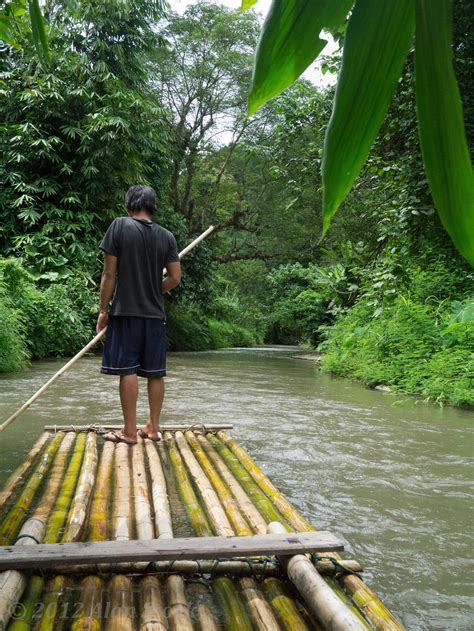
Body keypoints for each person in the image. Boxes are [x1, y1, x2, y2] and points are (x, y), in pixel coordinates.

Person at [96, 184, 181, 445]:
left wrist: (103, 310)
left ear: (130, 203)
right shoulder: (167, 236)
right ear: (151, 206)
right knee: (156, 372)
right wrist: (155, 289)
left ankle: (130, 432)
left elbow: (109, 274)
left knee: (128, 369)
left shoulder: (119, 226)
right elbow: (175, 278)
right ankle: (153, 428)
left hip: (126, 311)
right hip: (155, 315)